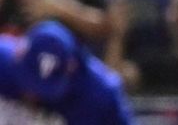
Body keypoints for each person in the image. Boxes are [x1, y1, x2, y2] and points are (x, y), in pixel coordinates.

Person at [0, 20, 133, 124]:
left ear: (71, 68)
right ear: (18, 54)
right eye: (29, 81)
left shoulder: (101, 94)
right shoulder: (3, 59)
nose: (33, 94)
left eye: (43, 88)